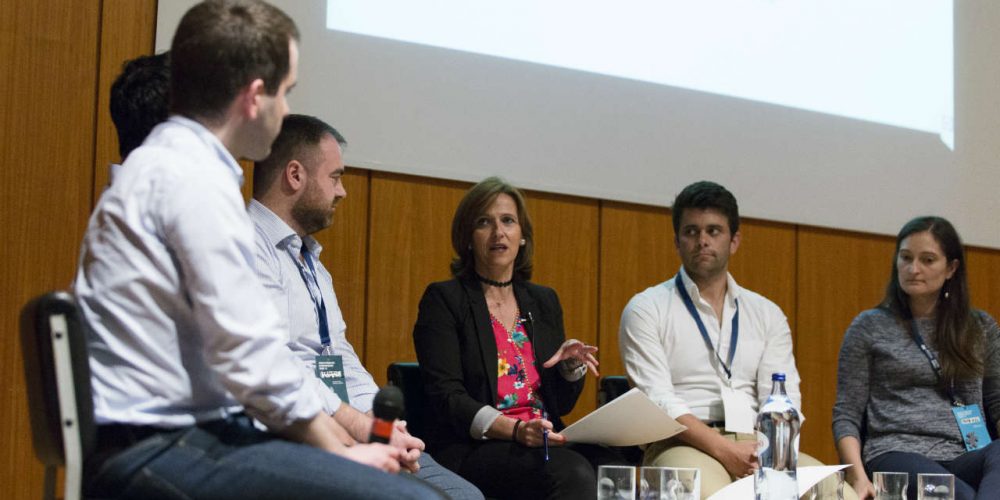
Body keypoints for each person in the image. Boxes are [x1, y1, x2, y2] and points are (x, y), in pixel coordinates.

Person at [74, 1, 442, 498]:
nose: (285, 110)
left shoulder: (169, 167)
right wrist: (342, 454)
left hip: (172, 436)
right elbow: (249, 355)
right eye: (284, 93)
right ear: (253, 97)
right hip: (158, 446)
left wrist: (343, 446)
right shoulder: (190, 181)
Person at [250, 113, 484, 499]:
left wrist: (384, 427)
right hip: (296, 433)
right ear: (295, 175)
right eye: (335, 177)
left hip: (348, 428)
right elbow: (273, 361)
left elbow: (339, 356)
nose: (342, 191)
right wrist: (359, 427)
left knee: (466, 496)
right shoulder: (247, 245)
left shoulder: (311, 262)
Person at [619, 180, 853, 499]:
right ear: (677, 242)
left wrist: (769, 452)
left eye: (713, 231)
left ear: (734, 241)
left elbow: (783, 395)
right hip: (682, 444)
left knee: (841, 494)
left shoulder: (766, 313)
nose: (702, 240)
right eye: (691, 231)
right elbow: (658, 401)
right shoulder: (647, 308)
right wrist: (725, 449)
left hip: (760, 444)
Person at [412, 177, 621, 499]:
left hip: (543, 437)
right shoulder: (445, 299)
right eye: (484, 222)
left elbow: (561, 404)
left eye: (508, 221)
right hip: (476, 446)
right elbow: (447, 397)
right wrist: (517, 430)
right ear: (468, 237)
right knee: (572, 472)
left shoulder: (543, 301)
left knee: (615, 466)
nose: (498, 232)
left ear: (522, 235)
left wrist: (568, 369)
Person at [833, 216, 1000, 500]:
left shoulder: (980, 327)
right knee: (957, 494)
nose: (913, 269)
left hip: (966, 453)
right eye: (906, 258)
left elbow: (997, 403)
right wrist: (857, 477)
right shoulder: (870, 327)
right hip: (896, 453)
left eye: (928, 260)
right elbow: (846, 414)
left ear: (951, 268)